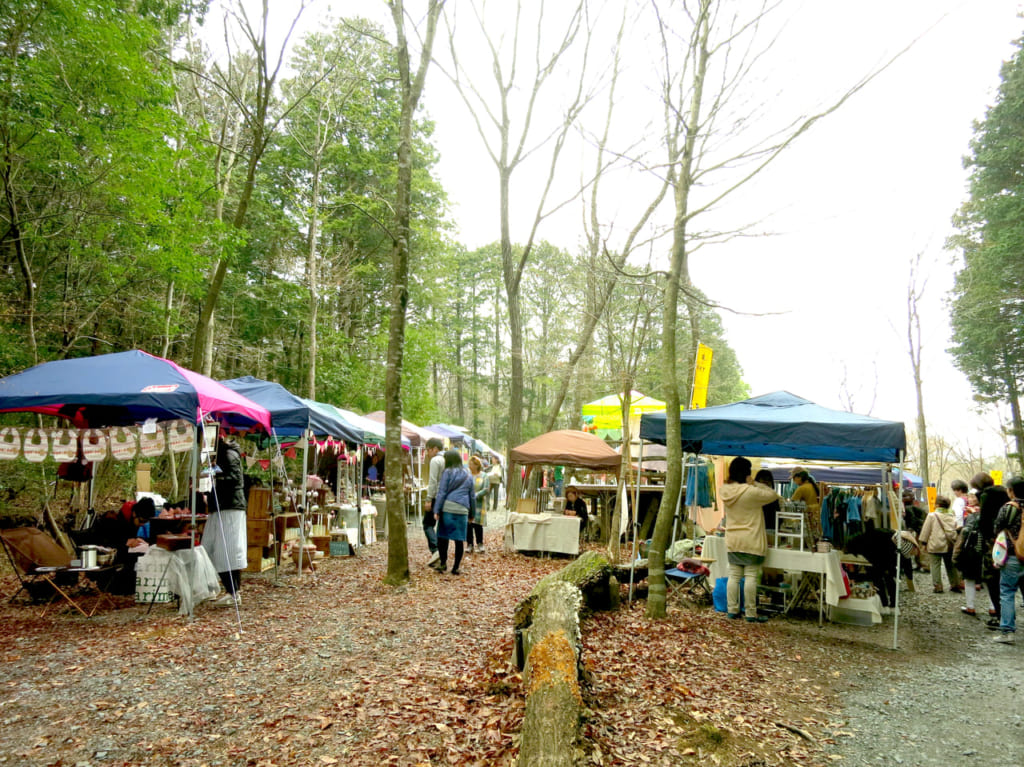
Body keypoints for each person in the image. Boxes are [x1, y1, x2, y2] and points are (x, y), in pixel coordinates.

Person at [720, 457, 780, 623]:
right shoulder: (751, 492)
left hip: (733, 538)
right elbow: (773, 494)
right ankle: (750, 613)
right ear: (747, 472)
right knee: (751, 576)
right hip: (752, 539)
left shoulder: (725, 490)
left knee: (734, 575)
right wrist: (754, 483)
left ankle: (732, 610)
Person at [202, 437, 247, 606]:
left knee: (225, 550)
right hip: (221, 505)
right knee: (211, 547)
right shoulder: (222, 456)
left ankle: (233, 590)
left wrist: (214, 474)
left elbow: (235, 479)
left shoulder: (228, 454)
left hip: (229, 506)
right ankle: (228, 589)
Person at [971, 472, 1010, 628]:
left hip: (995, 544)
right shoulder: (1006, 493)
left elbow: (985, 522)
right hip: (1012, 541)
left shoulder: (986, 496)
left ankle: (1000, 616)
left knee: (992, 579)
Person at [430, 450, 476, 575]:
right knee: (459, 539)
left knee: (442, 537)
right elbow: (472, 496)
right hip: (462, 510)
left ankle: (443, 563)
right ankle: (456, 567)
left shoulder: (447, 472)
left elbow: (442, 492)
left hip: (448, 508)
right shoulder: (468, 473)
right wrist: (472, 513)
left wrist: (437, 510)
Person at [992, 475, 1024, 643]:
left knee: (1007, 592)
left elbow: (997, 528)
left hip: (1013, 556)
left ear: (1010, 491)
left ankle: (1008, 631)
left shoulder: (1009, 508)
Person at [917, 495, 963, 593]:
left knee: (935, 565)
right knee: (950, 565)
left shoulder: (932, 515)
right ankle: (955, 584)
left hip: (935, 544)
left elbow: (926, 530)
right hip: (949, 544)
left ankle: (938, 586)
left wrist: (923, 543)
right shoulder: (952, 515)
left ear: (937, 505)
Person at [952, 505, 985, 616]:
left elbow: (965, 534)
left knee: (969, 579)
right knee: (991, 581)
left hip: (972, 552)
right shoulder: (995, 516)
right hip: (991, 553)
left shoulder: (973, 519)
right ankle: (992, 608)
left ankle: (970, 606)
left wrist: (956, 557)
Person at [424, 437, 445, 566]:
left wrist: (428, 499)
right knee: (441, 527)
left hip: (436, 496)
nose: (427, 453)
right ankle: (442, 555)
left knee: (427, 524)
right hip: (447, 497)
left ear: (435, 449)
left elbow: (433, 481)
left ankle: (435, 549)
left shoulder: (436, 460)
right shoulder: (448, 459)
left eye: (429, 450)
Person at [790, 470, 821, 542]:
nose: (794, 482)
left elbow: (793, 502)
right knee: (816, 535)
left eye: (794, 480)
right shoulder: (814, 485)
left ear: (799, 478)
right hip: (817, 513)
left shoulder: (801, 488)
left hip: (808, 514)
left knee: (809, 537)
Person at [468, 456, 489, 554]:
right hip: (468, 502)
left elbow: (486, 489)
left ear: (477, 465)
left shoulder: (484, 475)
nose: (470, 466)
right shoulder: (467, 475)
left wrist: (476, 495)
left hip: (479, 502)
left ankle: (480, 543)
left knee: (478, 524)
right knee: (468, 523)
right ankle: (469, 544)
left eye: (471, 464)